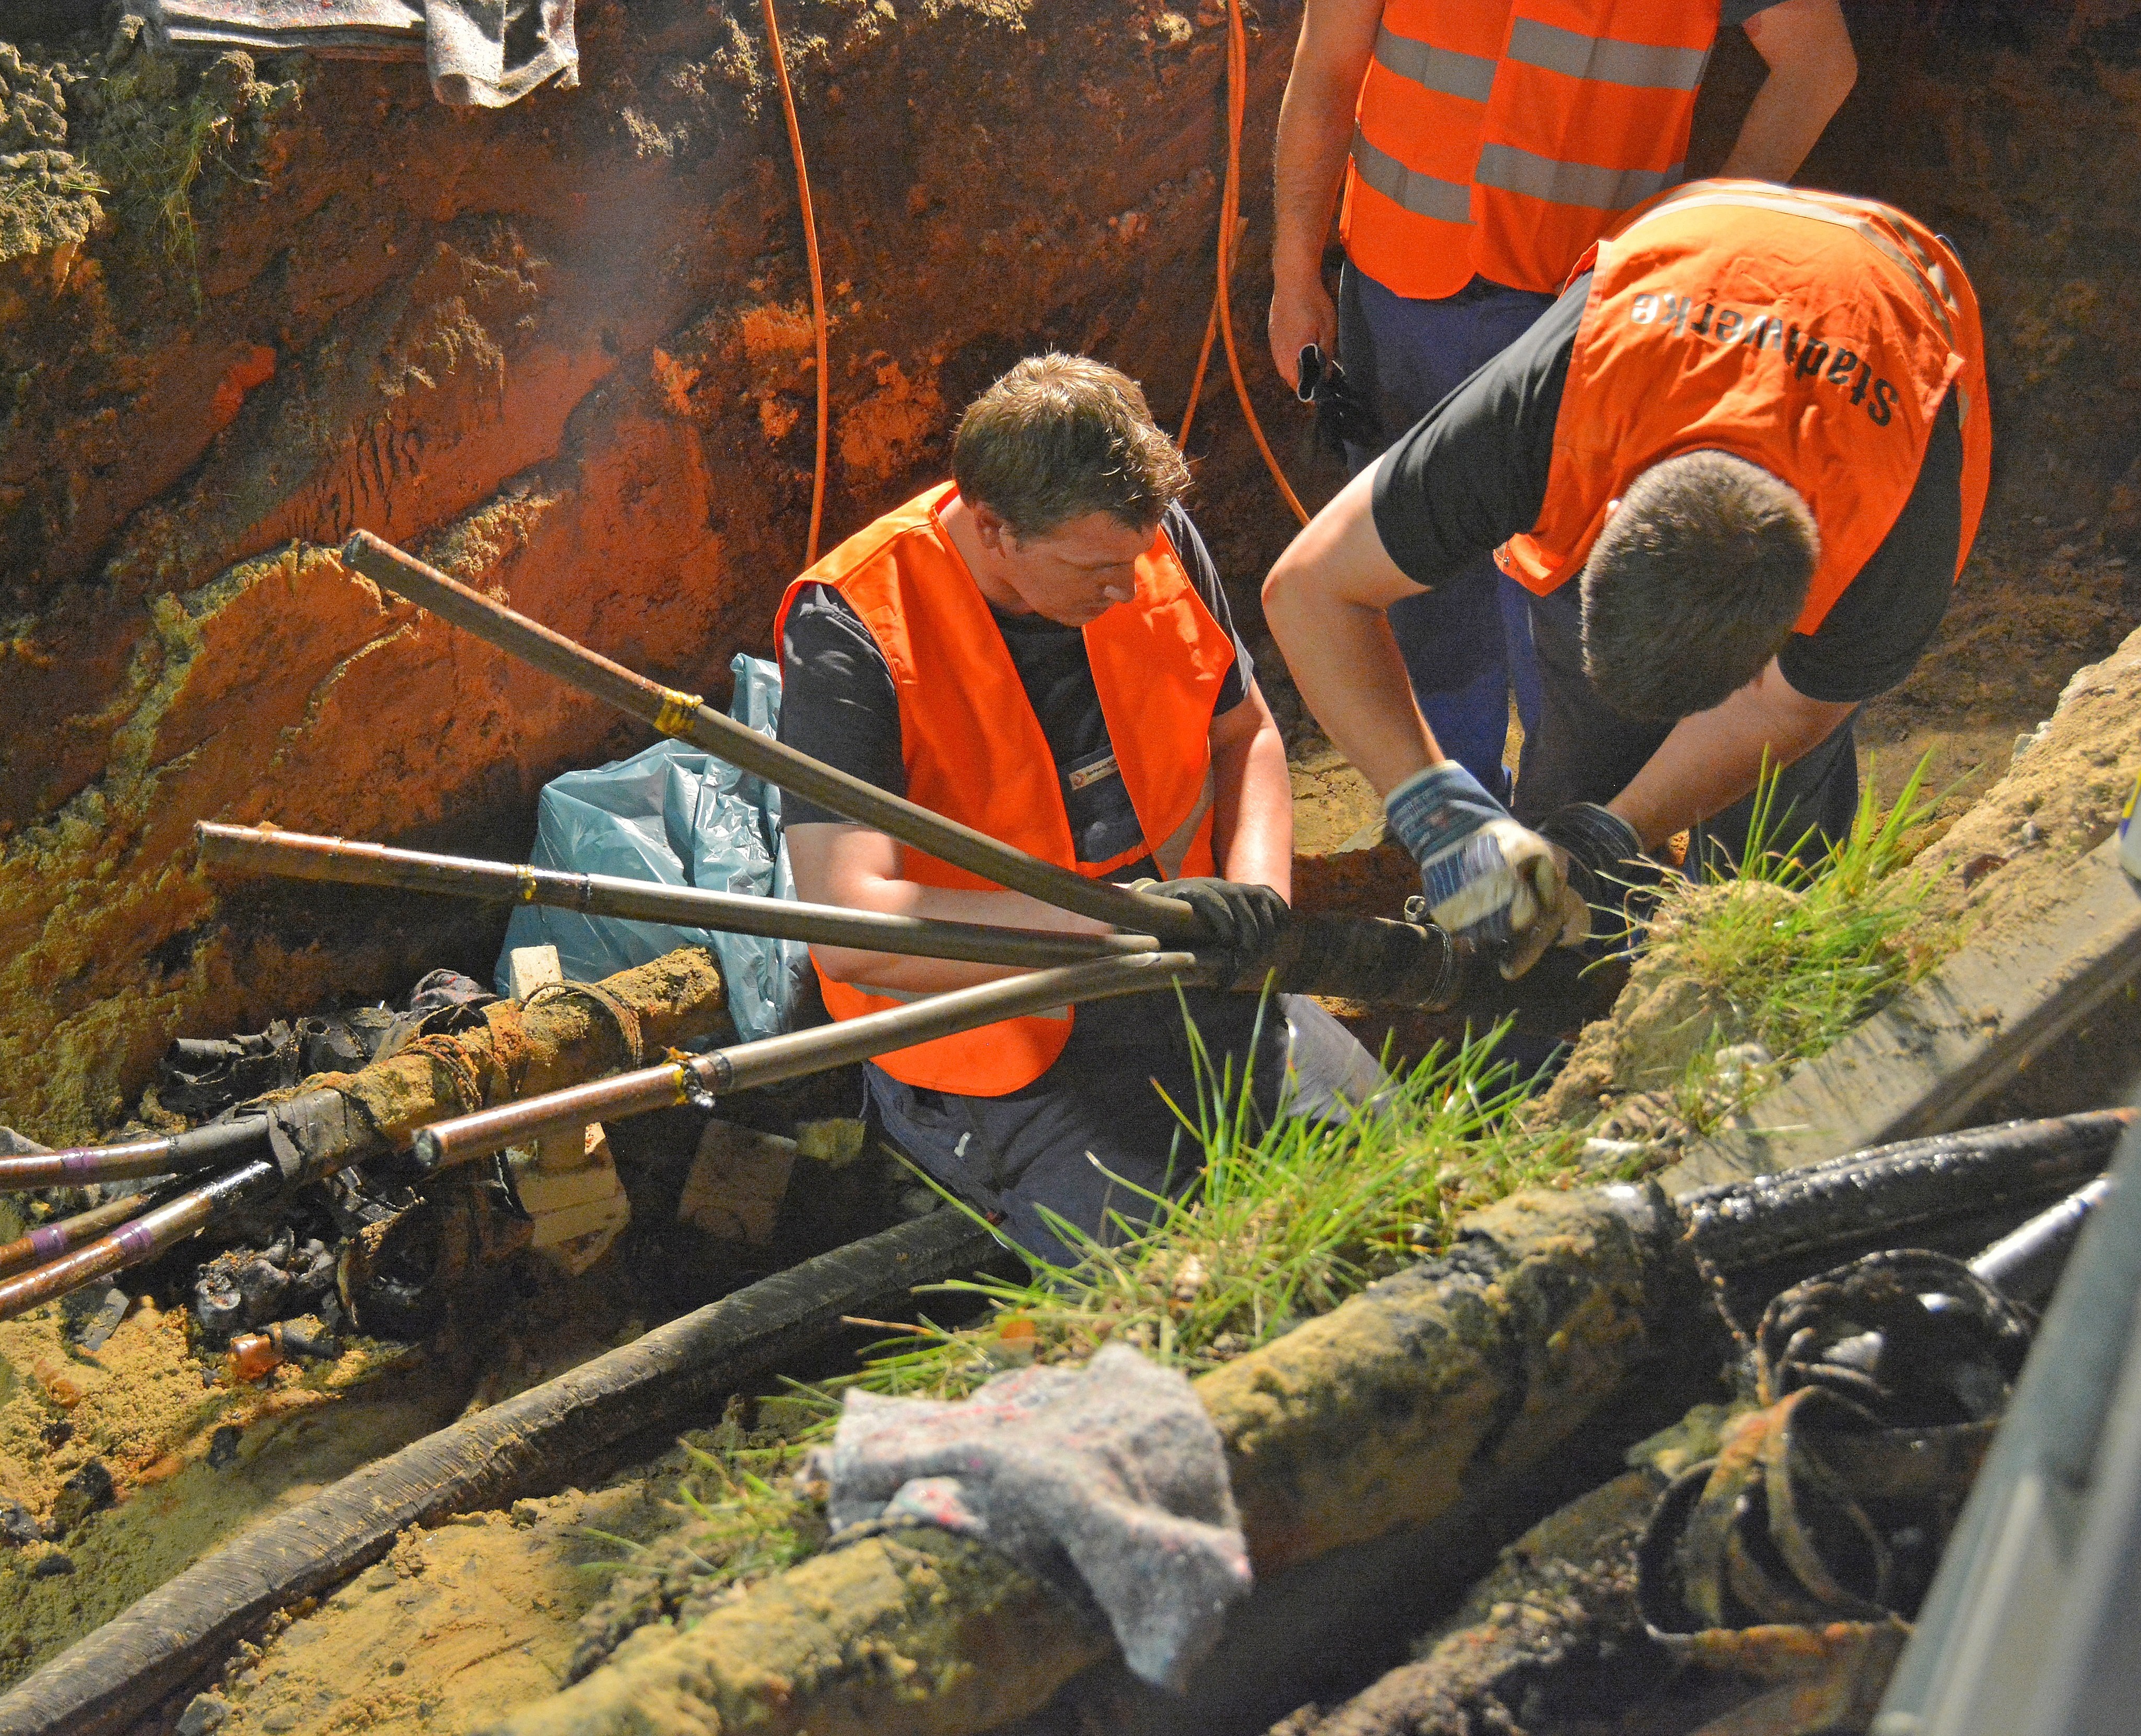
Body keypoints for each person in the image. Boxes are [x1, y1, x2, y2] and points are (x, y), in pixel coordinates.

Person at [1263, 181, 1989, 977]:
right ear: (1603, 528)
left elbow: (1790, 706)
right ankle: (1547, 1043)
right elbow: (1308, 590)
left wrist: (1613, 833)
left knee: (1774, 838)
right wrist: (1440, 816)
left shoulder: (1889, 538)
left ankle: (1754, 1007)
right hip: (1677, 281)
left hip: (1886, 319)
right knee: (1579, 763)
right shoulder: (1550, 408)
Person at [776, 354, 1381, 1260]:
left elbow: (1242, 731)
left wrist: (1260, 904)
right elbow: (854, 930)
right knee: (1190, 1280)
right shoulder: (853, 627)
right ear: (993, 528)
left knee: (1396, 1176)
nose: (1130, 588)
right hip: (1005, 1029)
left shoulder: (1138, 534)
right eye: (1096, 568)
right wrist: (1114, 925)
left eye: (1137, 557)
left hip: (1190, 961)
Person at [1266, 0, 1859, 802]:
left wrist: (1698, 233)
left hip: (1583, 314)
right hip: (1398, 287)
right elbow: (1327, 72)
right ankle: (1453, 825)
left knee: (1564, 605)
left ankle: (1574, 848)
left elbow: (1817, 63)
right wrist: (1294, 274)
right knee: (1413, 579)